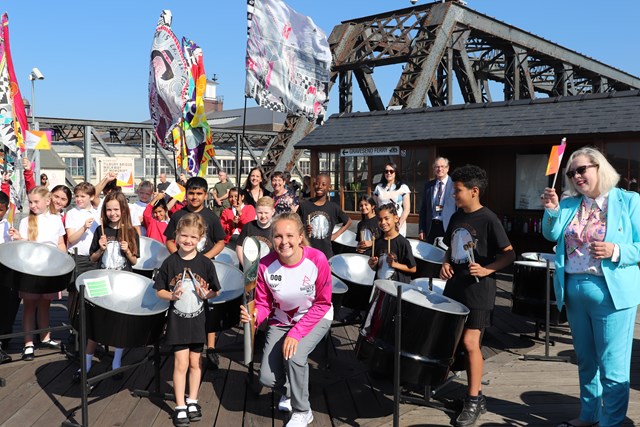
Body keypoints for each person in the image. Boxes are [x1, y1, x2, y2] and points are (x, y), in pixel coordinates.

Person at [541, 147, 640, 427]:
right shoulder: (570, 204)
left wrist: (616, 250)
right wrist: (551, 210)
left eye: (582, 169)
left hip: (612, 294)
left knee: (612, 366)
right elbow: (551, 233)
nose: (576, 176)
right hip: (574, 292)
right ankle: (589, 415)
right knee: (585, 360)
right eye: (572, 173)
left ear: (600, 167)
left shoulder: (630, 201)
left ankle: (611, 422)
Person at [240, 213, 332, 427]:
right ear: (272, 239)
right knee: (266, 379)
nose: (284, 242)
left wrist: (296, 334)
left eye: (290, 235)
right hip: (281, 320)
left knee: (294, 356)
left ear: (300, 237)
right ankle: (292, 391)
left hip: (316, 316)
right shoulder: (264, 265)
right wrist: (254, 316)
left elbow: (323, 304)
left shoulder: (317, 259)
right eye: (278, 236)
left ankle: (303, 410)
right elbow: (263, 304)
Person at [439, 165, 514, 427]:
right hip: (455, 287)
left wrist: (486, 269)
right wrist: (446, 262)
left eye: (457, 191)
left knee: (471, 343)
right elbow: (451, 247)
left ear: (474, 191)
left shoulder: (489, 219)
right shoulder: (456, 217)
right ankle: (475, 396)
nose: (453, 195)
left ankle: (473, 400)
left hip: (479, 292)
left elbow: (509, 253)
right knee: (457, 342)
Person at [154, 213, 220, 427]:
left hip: (198, 322)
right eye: (184, 236)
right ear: (177, 236)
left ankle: (193, 400)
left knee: (195, 362)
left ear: (200, 238)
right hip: (177, 322)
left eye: (193, 237)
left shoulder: (205, 263)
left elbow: (215, 292)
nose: (188, 241)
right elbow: (159, 291)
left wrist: (206, 294)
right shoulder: (170, 262)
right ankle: (180, 405)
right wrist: (172, 296)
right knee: (180, 363)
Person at [164, 176, 226, 369]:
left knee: (206, 307)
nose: (194, 197)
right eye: (191, 193)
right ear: (186, 194)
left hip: (203, 268)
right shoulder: (177, 215)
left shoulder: (211, 216)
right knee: (183, 304)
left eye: (199, 194)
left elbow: (221, 241)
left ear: (205, 195)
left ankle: (210, 347)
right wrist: (179, 257)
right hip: (180, 268)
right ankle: (180, 341)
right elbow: (168, 240)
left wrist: (204, 258)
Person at [78, 191, 140, 381]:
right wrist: (100, 249)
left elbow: (135, 261)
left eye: (116, 209)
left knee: (119, 323)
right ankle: (86, 364)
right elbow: (93, 258)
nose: (112, 213)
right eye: (109, 209)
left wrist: (127, 250)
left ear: (123, 210)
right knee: (95, 321)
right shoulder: (100, 230)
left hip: (123, 281)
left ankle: (116, 362)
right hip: (101, 280)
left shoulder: (130, 231)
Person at [8, 186, 67, 361]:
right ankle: (28, 343)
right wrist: (20, 239)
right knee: (29, 306)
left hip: (50, 269)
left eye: (36, 202)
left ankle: (44, 337)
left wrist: (63, 260)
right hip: (31, 269)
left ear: (47, 201)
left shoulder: (56, 220)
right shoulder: (26, 221)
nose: (33, 205)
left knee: (44, 304)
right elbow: (28, 246)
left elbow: (60, 243)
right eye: (30, 202)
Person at [298, 173, 352, 259]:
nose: (319, 186)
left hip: (326, 252)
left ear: (329, 187)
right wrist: (304, 229)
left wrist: (335, 235)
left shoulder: (333, 207)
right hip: (307, 250)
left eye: (323, 184)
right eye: (317, 184)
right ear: (313, 185)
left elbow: (348, 221)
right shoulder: (305, 205)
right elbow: (296, 224)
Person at [367, 203, 416, 283]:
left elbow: (413, 268)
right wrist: (373, 264)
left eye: (386, 218)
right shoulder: (377, 242)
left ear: (396, 218)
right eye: (380, 219)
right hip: (380, 285)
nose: (383, 222)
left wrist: (395, 264)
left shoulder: (403, 243)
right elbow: (377, 268)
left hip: (396, 288)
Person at [419, 157, 456, 245]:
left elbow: (458, 209)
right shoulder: (428, 186)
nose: (440, 169)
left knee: (446, 255)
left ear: (447, 168)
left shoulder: (455, 185)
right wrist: (421, 229)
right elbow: (423, 209)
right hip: (431, 227)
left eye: (442, 166)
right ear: (434, 169)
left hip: (448, 227)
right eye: (437, 167)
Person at [373, 162, 411, 236]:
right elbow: (374, 206)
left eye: (391, 171)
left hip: (398, 223)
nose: (389, 173)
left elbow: (407, 209)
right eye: (386, 171)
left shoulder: (403, 188)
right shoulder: (378, 188)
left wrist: (399, 225)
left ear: (395, 172)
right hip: (383, 223)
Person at [235, 196, 275, 266]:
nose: (263, 216)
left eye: (266, 213)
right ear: (255, 211)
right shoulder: (248, 226)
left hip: (267, 268)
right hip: (248, 266)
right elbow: (239, 246)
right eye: (260, 212)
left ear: (272, 212)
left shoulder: (275, 229)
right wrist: (245, 266)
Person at [0, 191, 14, 363]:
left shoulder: (7, 224)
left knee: (6, 302)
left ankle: (5, 333)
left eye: (1, 210)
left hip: (3, 269)